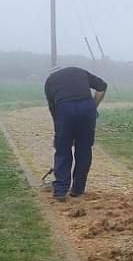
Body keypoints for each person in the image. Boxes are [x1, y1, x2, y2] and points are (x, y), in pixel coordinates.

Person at [44, 66, 107, 202]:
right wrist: (92, 106)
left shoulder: (50, 81)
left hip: (64, 109)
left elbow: (53, 109)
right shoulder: (79, 71)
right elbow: (102, 86)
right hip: (87, 108)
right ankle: (77, 190)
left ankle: (60, 191)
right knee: (84, 150)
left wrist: (60, 133)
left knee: (62, 151)